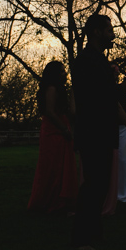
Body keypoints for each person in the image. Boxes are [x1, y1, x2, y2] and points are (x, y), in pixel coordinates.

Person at [71, 14, 119, 250]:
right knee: (92, 185)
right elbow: (95, 98)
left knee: (100, 185)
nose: (113, 34)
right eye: (110, 30)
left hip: (101, 131)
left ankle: (93, 231)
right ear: (97, 32)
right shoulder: (87, 60)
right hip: (93, 132)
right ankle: (82, 238)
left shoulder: (98, 59)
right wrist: (119, 89)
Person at [28, 61, 78, 213]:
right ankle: (49, 202)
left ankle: (61, 201)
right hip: (53, 130)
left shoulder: (61, 89)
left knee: (63, 166)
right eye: (62, 71)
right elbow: (50, 111)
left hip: (62, 128)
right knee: (52, 167)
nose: (65, 74)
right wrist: (63, 129)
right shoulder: (51, 88)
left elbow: (71, 111)